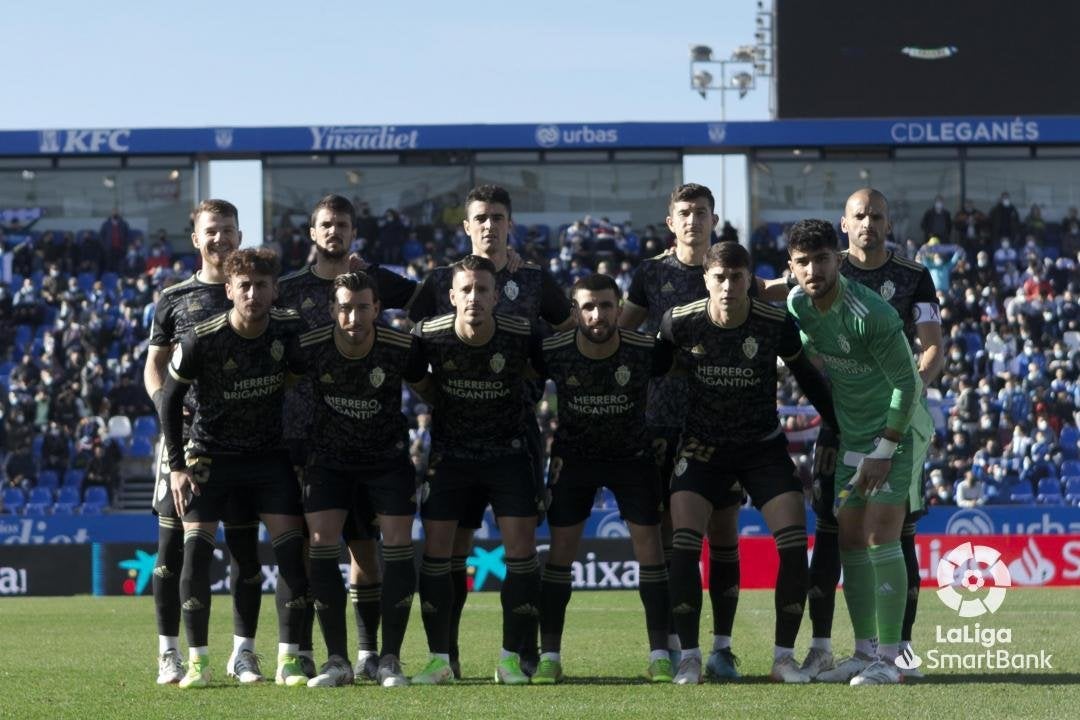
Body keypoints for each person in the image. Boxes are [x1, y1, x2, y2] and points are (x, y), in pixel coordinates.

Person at [765, 188, 944, 679]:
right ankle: (864, 653)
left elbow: (908, 382)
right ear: (795, 266)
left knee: (884, 536)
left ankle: (892, 658)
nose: (814, 270)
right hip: (848, 436)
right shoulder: (801, 304)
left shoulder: (877, 312)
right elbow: (782, 313)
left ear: (836, 261)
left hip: (896, 431)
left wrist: (886, 448)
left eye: (822, 261)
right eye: (805, 263)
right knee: (847, 539)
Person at [407, 185, 571, 677]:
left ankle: (518, 656)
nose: (489, 225)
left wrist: (534, 383)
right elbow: (414, 342)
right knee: (449, 551)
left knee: (520, 545)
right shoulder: (439, 280)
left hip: (513, 435)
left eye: (498, 217)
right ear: (467, 225)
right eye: (480, 217)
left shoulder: (535, 281)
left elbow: (565, 337)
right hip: (454, 439)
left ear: (509, 223)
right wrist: (443, 397)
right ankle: (446, 658)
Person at [659, 241, 837, 685]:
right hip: (702, 449)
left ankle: (782, 660)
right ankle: (691, 658)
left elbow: (810, 379)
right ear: (706, 280)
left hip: (762, 448)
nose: (727, 286)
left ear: (748, 282)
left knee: (794, 544)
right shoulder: (680, 322)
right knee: (684, 544)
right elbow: (652, 373)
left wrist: (838, 423)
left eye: (736, 278)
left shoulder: (775, 322)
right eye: (719, 278)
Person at [277, 194, 418, 679]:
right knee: (306, 547)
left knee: (366, 551)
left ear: (352, 232)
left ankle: (371, 655)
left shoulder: (372, 282)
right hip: (307, 440)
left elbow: (435, 298)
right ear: (312, 232)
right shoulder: (287, 289)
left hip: (376, 443)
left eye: (342, 224)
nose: (333, 231)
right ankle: (299, 652)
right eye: (325, 224)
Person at [158, 248, 311, 689]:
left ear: (274, 289)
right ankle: (198, 663)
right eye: (243, 285)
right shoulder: (201, 339)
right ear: (228, 290)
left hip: (268, 458)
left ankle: (287, 662)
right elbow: (169, 398)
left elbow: (302, 374)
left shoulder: (288, 330)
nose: (252, 293)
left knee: (288, 554)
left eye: (261, 285)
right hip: (211, 457)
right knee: (196, 554)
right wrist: (177, 466)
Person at [618, 183, 741, 677]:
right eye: (684, 213)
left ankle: (723, 647)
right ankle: (671, 645)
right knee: (671, 536)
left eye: (702, 212)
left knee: (724, 532)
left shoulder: (730, 271)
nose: (693, 220)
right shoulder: (650, 273)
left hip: (721, 424)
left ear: (714, 219)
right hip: (661, 423)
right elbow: (623, 334)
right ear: (671, 221)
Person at [143, 199, 267, 686]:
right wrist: (168, 419)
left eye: (228, 230)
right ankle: (168, 653)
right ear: (196, 239)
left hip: (244, 443)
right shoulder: (174, 298)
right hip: (185, 443)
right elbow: (154, 366)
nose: (221, 239)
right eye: (211, 231)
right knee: (172, 547)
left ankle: (244, 654)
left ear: (239, 234)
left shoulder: (254, 291)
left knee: (242, 546)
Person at [531, 274, 675, 684]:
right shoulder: (553, 351)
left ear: (619, 308)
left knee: (651, 551)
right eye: (589, 307)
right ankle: (549, 656)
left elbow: (682, 368)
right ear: (575, 311)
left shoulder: (646, 350)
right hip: (574, 459)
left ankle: (660, 654)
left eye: (606, 305)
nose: (598, 315)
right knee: (560, 555)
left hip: (633, 458)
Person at [295, 271, 428, 687]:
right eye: (346, 308)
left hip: (387, 461)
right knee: (320, 544)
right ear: (333, 309)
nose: (354, 316)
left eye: (363, 307)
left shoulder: (401, 346)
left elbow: (432, 390)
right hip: (329, 461)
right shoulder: (310, 348)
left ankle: (390, 660)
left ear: (376, 308)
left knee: (398, 546)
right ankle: (337, 661)